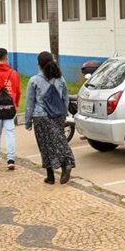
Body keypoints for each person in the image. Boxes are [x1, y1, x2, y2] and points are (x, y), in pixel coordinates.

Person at [24, 51, 75, 185]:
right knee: (59, 141)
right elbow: (65, 99)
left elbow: (30, 103)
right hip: (57, 115)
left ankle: (50, 176)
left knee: (45, 146)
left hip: (40, 117)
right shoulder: (60, 79)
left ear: (38, 64)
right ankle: (65, 165)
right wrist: (64, 115)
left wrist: (28, 121)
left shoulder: (34, 80)